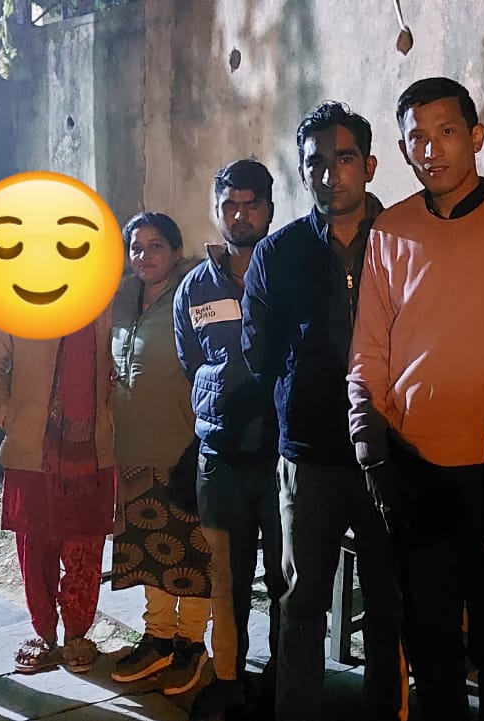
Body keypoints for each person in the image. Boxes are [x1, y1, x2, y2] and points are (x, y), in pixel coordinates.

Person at [346, 77, 484, 721]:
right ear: (402, 149)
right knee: (430, 630)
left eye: (446, 132)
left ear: (476, 136)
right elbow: (369, 348)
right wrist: (372, 446)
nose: (431, 148)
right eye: (417, 137)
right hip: (415, 465)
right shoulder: (391, 229)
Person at [242, 101, 405, 721]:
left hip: (390, 452)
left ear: (369, 165)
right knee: (301, 597)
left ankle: (385, 710)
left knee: (389, 599)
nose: (330, 174)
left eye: (345, 159)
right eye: (316, 163)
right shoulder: (279, 252)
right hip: (308, 456)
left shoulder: (404, 241)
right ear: (302, 170)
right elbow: (259, 352)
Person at [174, 158, 286, 721]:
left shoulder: (289, 271)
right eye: (229, 205)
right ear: (216, 211)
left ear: (270, 208)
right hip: (220, 458)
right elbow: (190, 361)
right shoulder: (195, 287)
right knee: (226, 579)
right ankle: (229, 681)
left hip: (283, 455)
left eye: (251, 204)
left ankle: (284, 681)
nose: (240, 215)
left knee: (287, 578)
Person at [0, 287, 116, 674]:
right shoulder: (15, 298)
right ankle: (44, 632)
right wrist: (5, 413)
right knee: (34, 544)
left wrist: (113, 415)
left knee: (86, 546)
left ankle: (77, 633)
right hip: (31, 447)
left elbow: (125, 355)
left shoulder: (102, 296)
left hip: (93, 448)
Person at [109, 211, 214, 696]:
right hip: (133, 453)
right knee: (150, 553)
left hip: (182, 451)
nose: (144, 256)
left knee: (189, 554)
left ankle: (191, 643)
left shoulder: (194, 295)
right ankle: (158, 638)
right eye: (136, 247)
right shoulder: (123, 300)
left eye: (155, 246)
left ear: (175, 251)